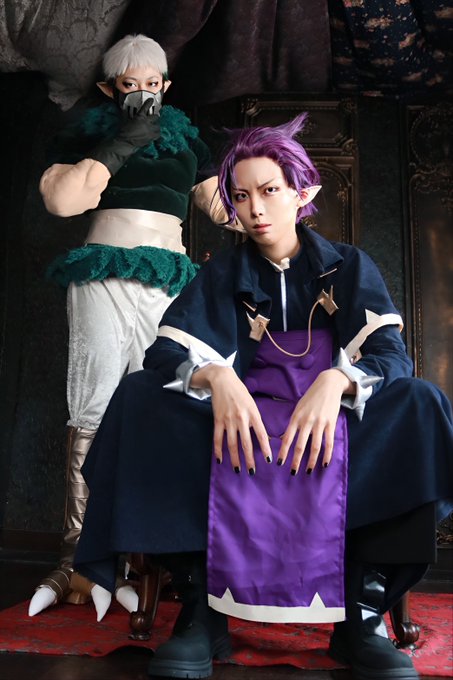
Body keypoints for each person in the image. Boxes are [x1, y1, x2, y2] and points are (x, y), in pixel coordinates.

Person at [74, 114, 453, 680]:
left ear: (303, 192)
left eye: (270, 191)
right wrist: (216, 378)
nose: (255, 209)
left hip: (332, 427)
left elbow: (391, 358)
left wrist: (336, 382)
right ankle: (201, 612)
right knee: (138, 396)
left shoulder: (349, 266)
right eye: (241, 195)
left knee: (421, 403)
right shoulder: (222, 273)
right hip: (238, 429)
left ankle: (362, 616)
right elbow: (164, 355)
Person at [29, 33, 228, 621]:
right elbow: (63, 202)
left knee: (162, 404)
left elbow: (224, 206)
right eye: (129, 83)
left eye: (152, 82)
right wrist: (122, 140)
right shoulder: (88, 133)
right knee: (93, 403)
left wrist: (283, 189)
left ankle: (150, 556)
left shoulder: (187, 139)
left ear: (165, 84)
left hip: (169, 278)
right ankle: (78, 558)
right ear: (110, 88)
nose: (143, 91)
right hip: (103, 271)